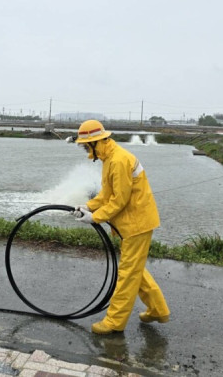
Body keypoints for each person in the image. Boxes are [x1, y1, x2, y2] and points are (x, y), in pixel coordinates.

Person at [72, 119, 170, 334]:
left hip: (137, 224)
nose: (86, 150)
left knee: (126, 274)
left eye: (87, 146)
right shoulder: (110, 158)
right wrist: (87, 206)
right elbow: (107, 195)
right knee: (135, 271)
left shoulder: (119, 160)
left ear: (98, 142)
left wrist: (95, 218)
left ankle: (115, 322)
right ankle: (158, 310)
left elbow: (120, 200)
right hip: (130, 224)